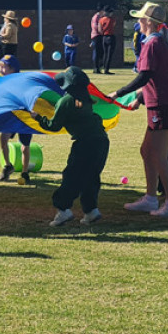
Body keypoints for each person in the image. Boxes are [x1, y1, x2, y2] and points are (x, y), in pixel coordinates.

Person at [108, 2, 168, 218]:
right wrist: (140, 98)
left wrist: (120, 92)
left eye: (141, 19)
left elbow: (145, 76)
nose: (138, 22)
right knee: (147, 151)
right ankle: (150, 198)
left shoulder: (152, 44)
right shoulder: (155, 42)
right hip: (159, 104)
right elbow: (154, 77)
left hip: (164, 106)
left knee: (160, 156)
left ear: (149, 22)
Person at [32, 67, 108, 226]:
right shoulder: (85, 97)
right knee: (91, 176)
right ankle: (91, 210)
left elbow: (54, 126)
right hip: (101, 141)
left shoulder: (66, 101)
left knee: (72, 176)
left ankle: (63, 209)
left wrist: (38, 117)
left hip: (85, 143)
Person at [0, 55, 33, 185]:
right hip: (11, 117)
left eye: (3, 67)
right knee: (3, 138)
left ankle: (25, 172)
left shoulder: (22, 82)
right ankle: (8, 166)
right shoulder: (1, 82)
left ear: (13, 69)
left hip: (23, 117)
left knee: (25, 147)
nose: (0, 70)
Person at [98, 5, 116, 74]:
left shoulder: (101, 20)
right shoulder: (112, 19)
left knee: (105, 54)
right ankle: (106, 69)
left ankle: (103, 67)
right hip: (111, 37)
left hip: (104, 37)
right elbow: (113, 25)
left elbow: (99, 30)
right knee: (109, 54)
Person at [90, 5, 105, 73]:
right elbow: (95, 27)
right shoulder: (96, 17)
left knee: (101, 52)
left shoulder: (101, 17)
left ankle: (99, 66)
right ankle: (96, 68)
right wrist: (102, 31)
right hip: (96, 36)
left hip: (100, 35)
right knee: (96, 52)